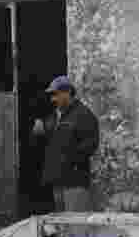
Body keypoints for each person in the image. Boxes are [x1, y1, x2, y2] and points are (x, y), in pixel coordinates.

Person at [31, 75, 99, 212]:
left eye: (55, 94)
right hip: (58, 181)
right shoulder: (56, 116)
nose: (53, 99)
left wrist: (69, 159)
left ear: (67, 92)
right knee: (61, 221)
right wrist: (39, 127)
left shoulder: (84, 115)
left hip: (74, 182)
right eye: (52, 96)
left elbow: (91, 144)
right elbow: (44, 131)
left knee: (74, 222)